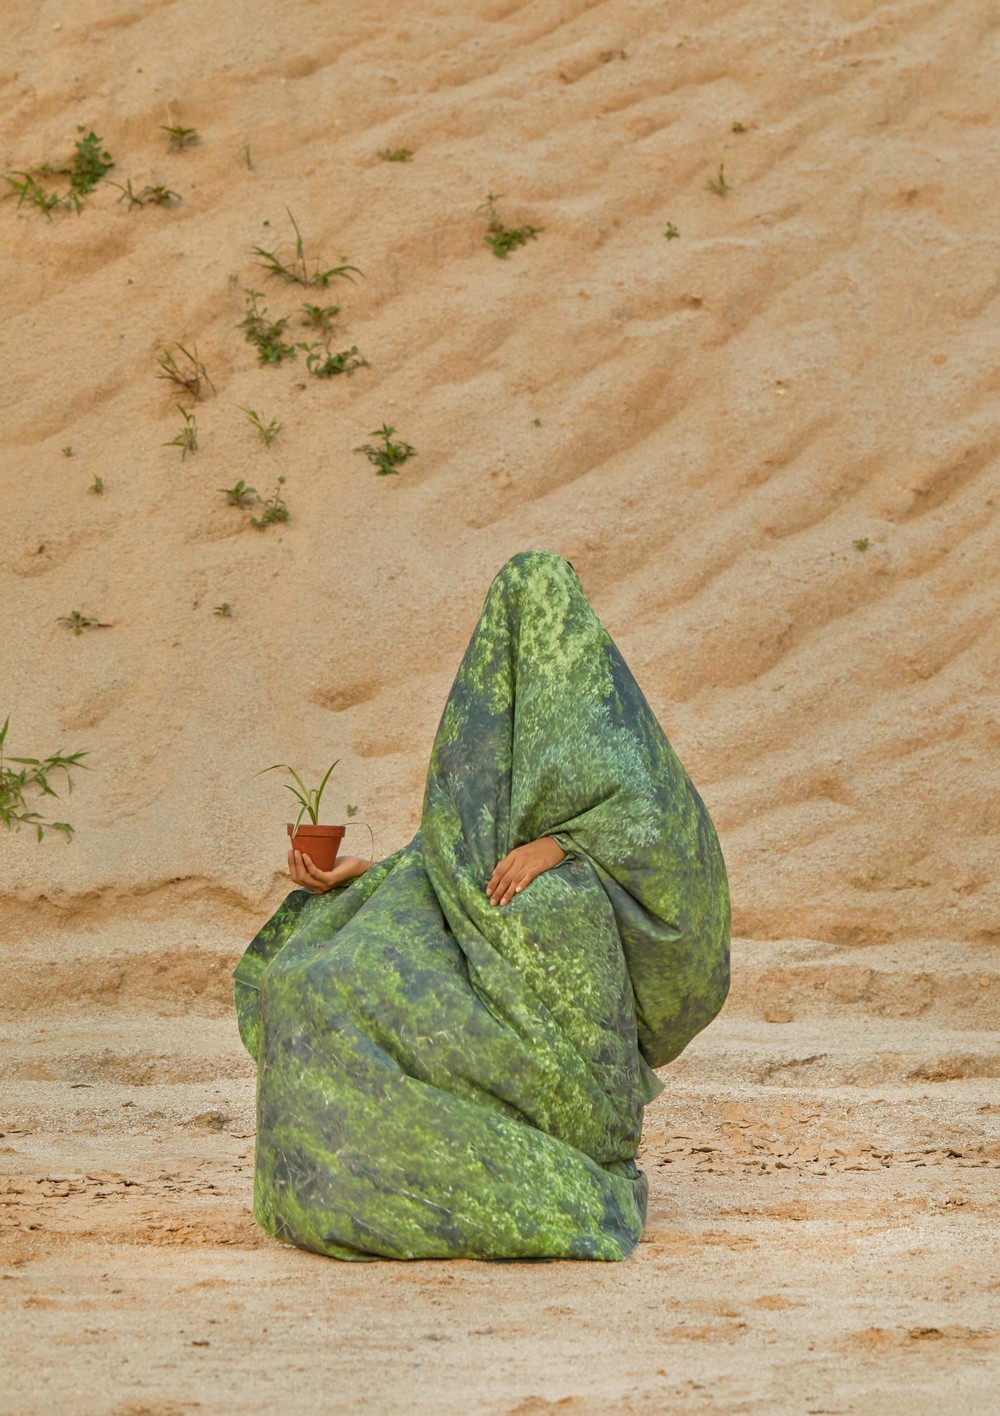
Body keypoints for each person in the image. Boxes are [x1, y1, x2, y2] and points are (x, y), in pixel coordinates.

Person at [233, 550, 730, 1262]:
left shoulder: (618, 737)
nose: (531, 644)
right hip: (468, 927)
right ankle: (351, 1179)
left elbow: (666, 841)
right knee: (307, 980)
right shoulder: (489, 720)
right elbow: (454, 838)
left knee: (359, 991)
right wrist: (357, 874)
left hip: (548, 971)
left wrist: (560, 844)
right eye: (512, 619)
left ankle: (505, 1170)